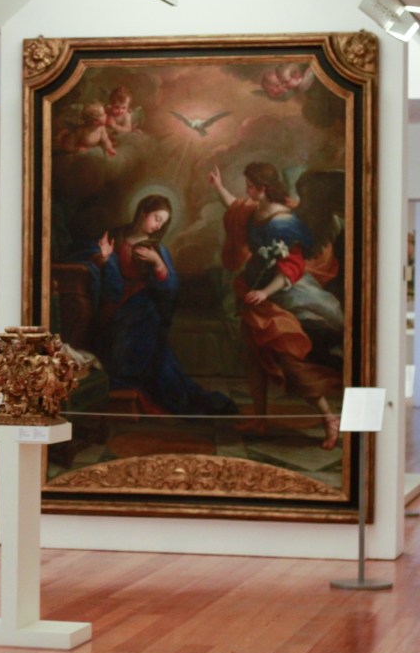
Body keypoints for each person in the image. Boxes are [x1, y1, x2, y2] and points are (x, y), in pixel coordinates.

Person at [208, 162, 344, 448]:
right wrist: (219, 187)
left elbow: (292, 266)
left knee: (289, 359)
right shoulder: (257, 210)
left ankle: (329, 418)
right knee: (252, 356)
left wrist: (266, 292)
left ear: (264, 188)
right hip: (255, 292)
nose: (247, 191)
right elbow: (235, 208)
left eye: (251, 186)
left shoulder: (283, 222)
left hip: (281, 295)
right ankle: (260, 419)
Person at [91, 194, 237, 415]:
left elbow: (171, 288)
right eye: (156, 218)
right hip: (117, 306)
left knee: (150, 336)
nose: (158, 226)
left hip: (144, 309)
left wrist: (158, 263)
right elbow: (110, 284)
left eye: (163, 222)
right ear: (143, 213)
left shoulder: (157, 249)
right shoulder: (116, 238)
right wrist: (104, 259)